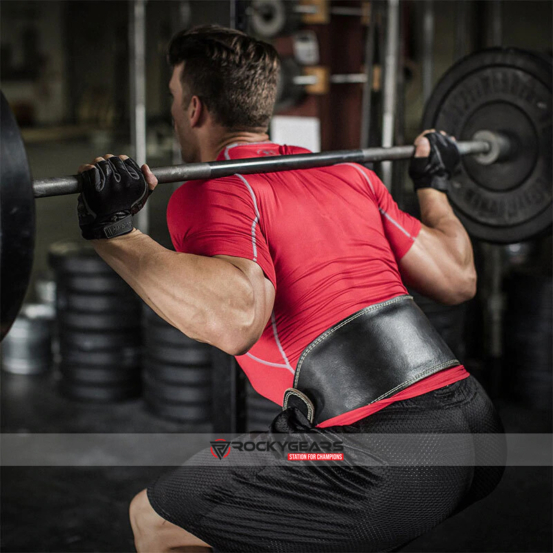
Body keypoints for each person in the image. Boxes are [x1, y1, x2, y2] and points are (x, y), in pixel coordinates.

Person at [77, 25, 506, 553]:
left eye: (171, 98)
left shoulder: (213, 188)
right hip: (474, 425)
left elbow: (236, 322)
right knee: (264, 509)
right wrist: (432, 185)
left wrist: (113, 232)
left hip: (378, 458)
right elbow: (458, 278)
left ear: (193, 109)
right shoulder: (346, 172)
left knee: (155, 520)